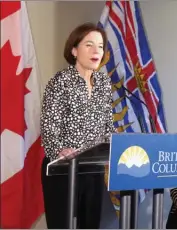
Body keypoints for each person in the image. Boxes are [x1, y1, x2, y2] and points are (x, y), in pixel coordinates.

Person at [40, 22, 117, 229]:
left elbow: (108, 126)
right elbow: (49, 127)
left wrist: (120, 145)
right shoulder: (61, 81)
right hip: (63, 169)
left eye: (100, 46)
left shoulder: (103, 83)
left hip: (92, 170)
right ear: (74, 50)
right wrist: (59, 150)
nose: (96, 51)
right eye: (89, 45)